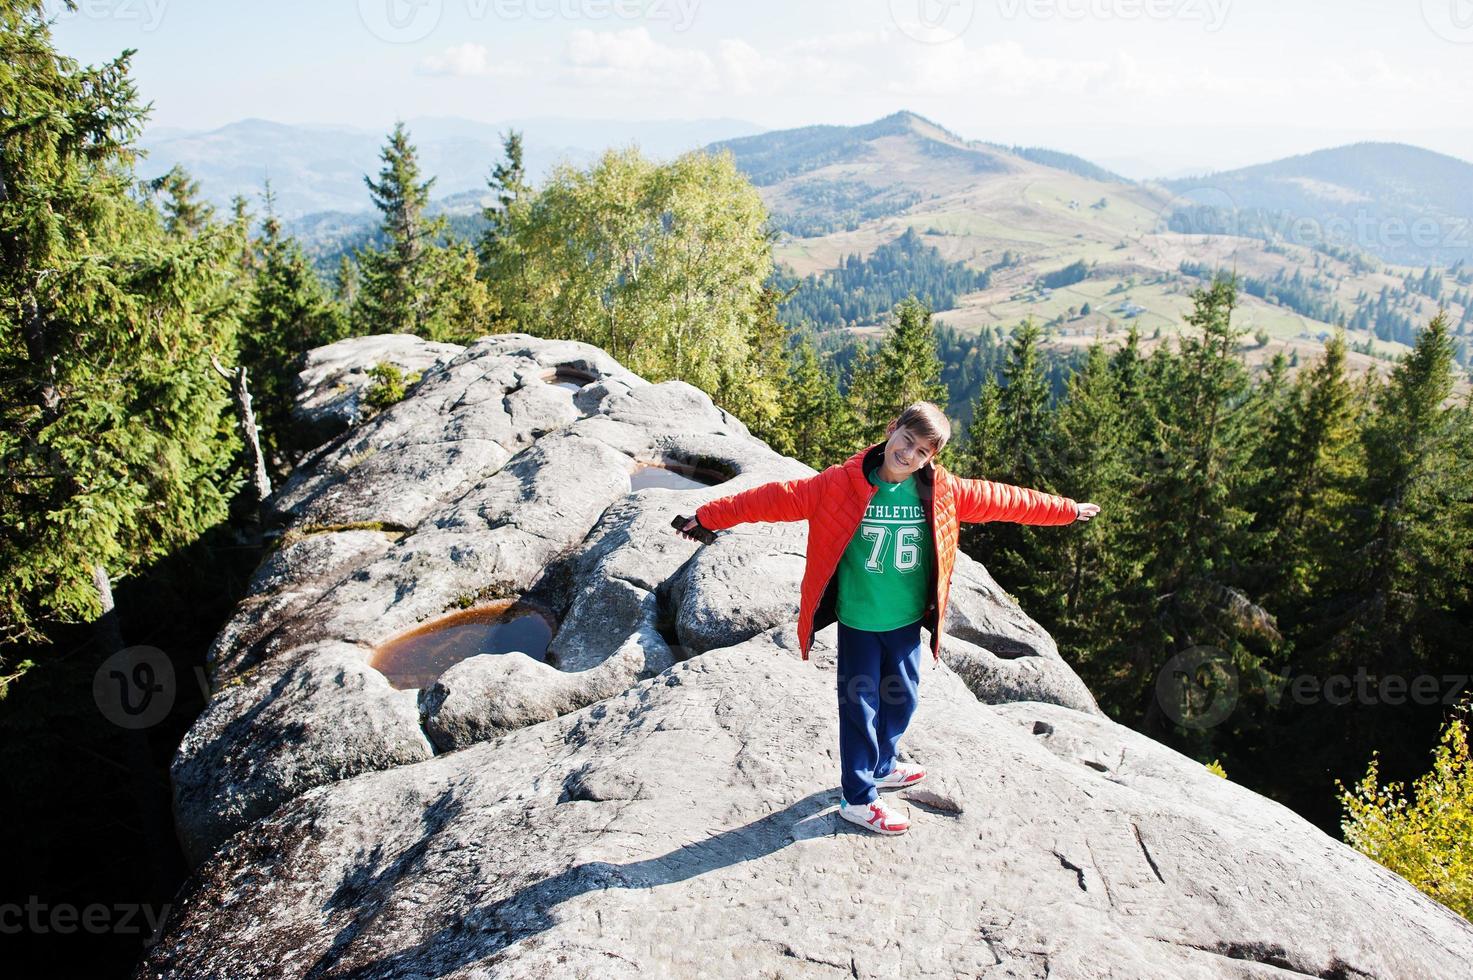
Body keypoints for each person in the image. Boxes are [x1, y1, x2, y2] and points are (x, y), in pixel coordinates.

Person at [676, 402, 1100, 835]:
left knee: (902, 699)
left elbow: (1005, 499)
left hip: (905, 622)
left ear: (931, 459)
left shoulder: (941, 492)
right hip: (859, 621)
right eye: (907, 441)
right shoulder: (839, 484)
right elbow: (770, 499)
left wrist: (1065, 510)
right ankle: (857, 798)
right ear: (891, 430)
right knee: (859, 708)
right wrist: (707, 516)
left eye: (922, 452)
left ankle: (882, 766)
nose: (910, 454)